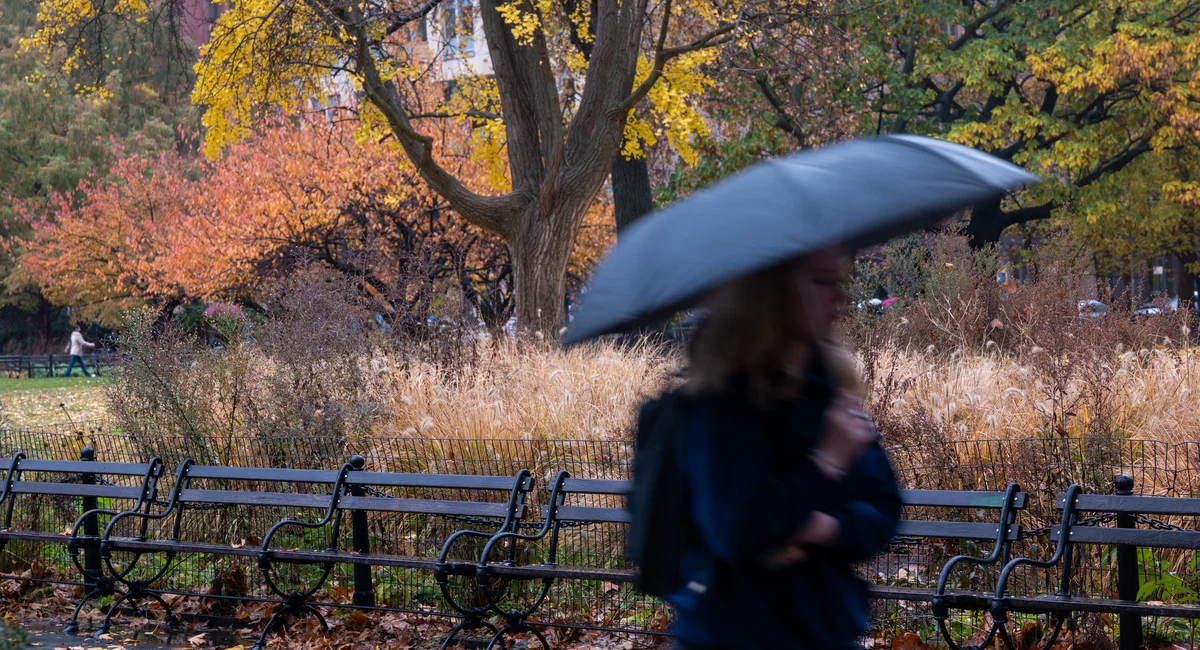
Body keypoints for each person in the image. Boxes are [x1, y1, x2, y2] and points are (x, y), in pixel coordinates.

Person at [665, 249, 902, 650]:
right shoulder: (719, 402)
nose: (840, 299)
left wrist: (823, 527)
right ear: (773, 292)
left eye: (839, 282)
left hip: (822, 628)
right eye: (823, 282)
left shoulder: (830, 388)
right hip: (733, 634)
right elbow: (735, 530)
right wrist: (826, 461)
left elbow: (884, 506)